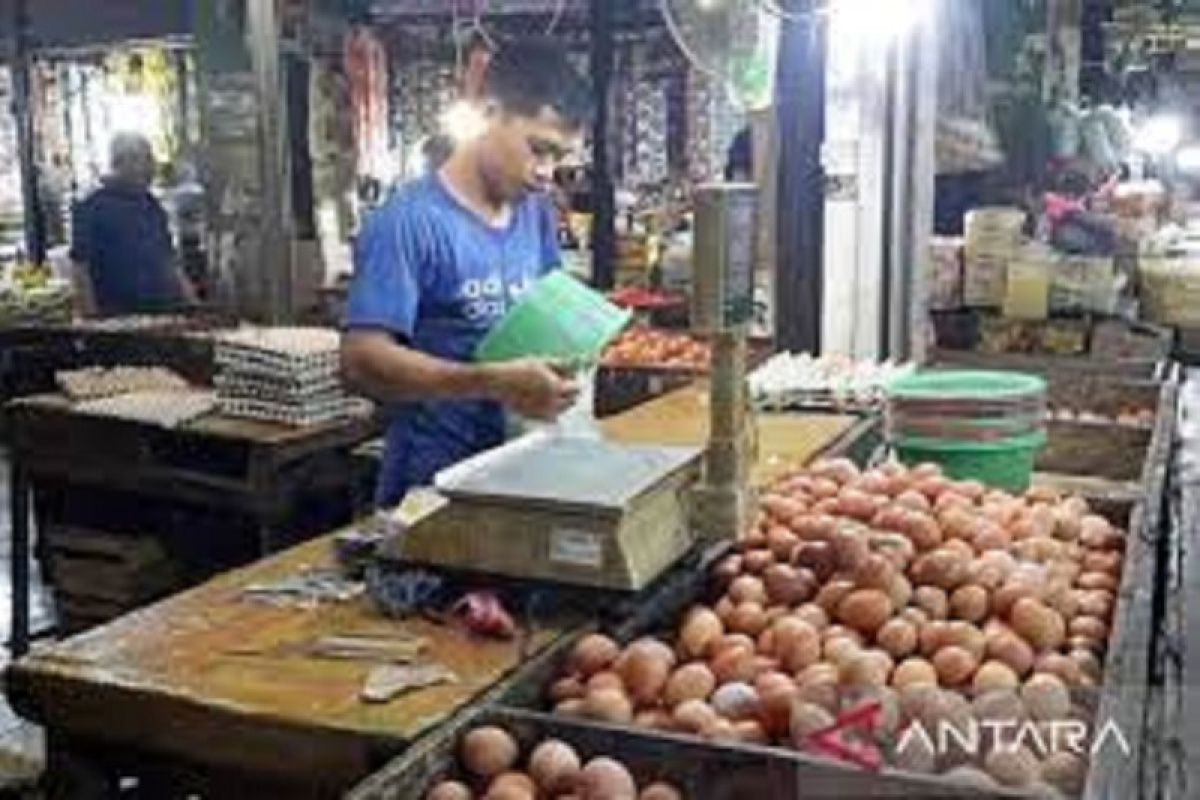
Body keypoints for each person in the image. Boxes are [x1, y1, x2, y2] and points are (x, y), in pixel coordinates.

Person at [341, 39, 593, 508]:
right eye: (538, 149)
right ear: (490, 111)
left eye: (559, 159)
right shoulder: (409, 221)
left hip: (519, 470)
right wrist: (491, 381)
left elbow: (545, 313)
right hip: (433, 488)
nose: (545, 172)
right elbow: (360, 360)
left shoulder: (534, 214)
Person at [70, 133, 196, 316]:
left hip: (162, 314)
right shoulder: (92, 207)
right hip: (117, 317)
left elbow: (169, 261)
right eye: (143, 160)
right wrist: (91, 319)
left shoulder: (152, 205)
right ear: (119, 164)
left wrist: (191, 302)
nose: (151, 169)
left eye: (150, 160)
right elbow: (80, 267)